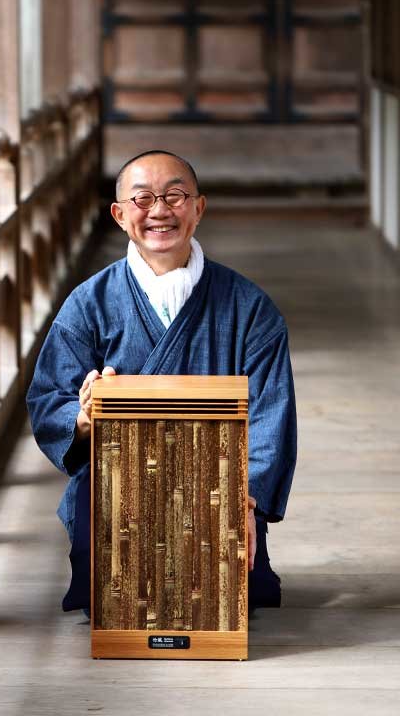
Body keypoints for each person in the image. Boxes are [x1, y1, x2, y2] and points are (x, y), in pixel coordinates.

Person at [26, 150, 296, 615]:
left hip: (219, 495)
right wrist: (84, 417)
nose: (159, 211)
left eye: (175, 196)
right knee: (110, 596)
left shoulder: (250, 308)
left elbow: (272, 416)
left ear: (198, 207)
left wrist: (243, 499)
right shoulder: (88, 303)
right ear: (119, 214)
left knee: (223, 598)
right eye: (143, 198)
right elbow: (49, 396)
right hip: (117, 497)